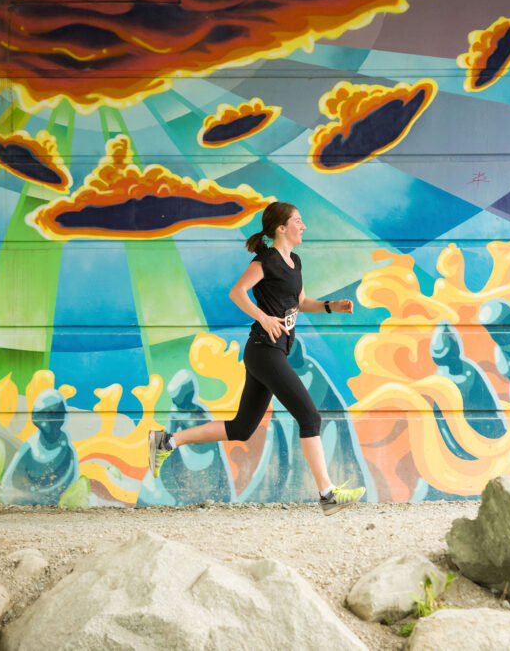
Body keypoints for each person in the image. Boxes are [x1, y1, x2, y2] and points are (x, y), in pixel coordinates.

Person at [147, 202, 366, 515]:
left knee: (241, 428)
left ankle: (166, 442)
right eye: (298, 221)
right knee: (310, 417)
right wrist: (263, 317)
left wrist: (332, 306)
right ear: (281, 228)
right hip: (264, 350)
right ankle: (328, 496)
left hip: (273, 351)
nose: (303, 227)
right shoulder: (266, 261)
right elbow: (237, 292)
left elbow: (301, 302)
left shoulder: (295, 261)